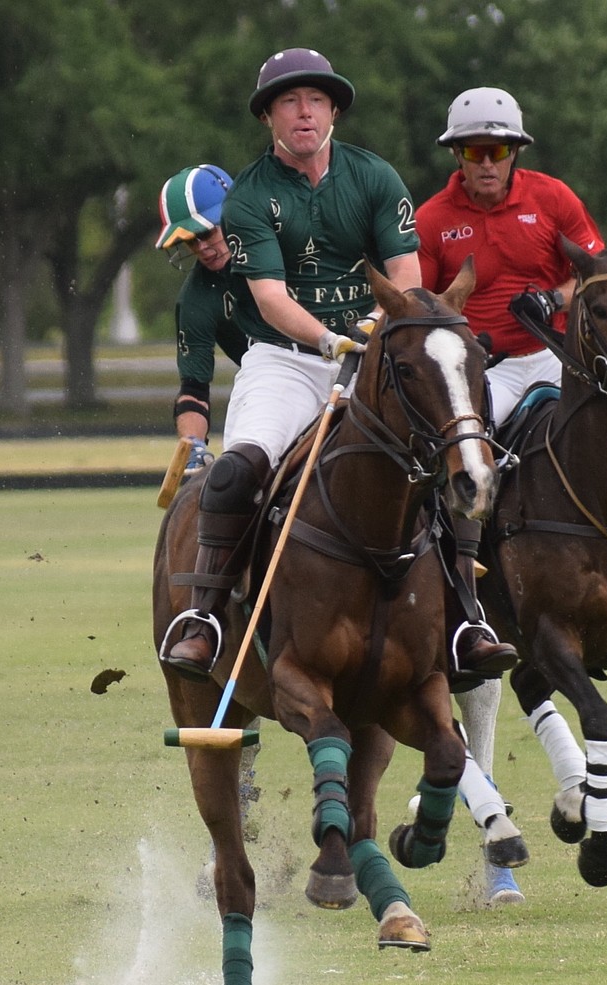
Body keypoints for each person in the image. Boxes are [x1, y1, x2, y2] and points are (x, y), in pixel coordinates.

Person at [163, 49, 517, 682]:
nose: (305, 111)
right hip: (288, 361)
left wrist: (377, 335)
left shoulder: (375, 177)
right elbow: (270, 299)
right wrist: (331, 342)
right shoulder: (249, 196)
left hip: (376, 352)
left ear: (333, 110)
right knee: (238, 469)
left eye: (317, 100)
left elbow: (407, 281)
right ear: (269, 115)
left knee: (450, 459)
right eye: (290, 102)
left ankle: (467, 618)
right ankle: (206, 619)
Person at [417, 86, 607, 640]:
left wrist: (552, 299)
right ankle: (465, 596)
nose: (486, 163)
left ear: (514, 154)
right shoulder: (433, 221)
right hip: (489, 369)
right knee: (459, 468)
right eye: (474, 152)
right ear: (457, 155)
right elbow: (425, 305)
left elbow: (600, 277)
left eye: (497, 152)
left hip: (556, 360)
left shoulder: (552, 199)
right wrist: (460, 333)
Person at [156, 164, 249, 474]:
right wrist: (193, 442)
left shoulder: (288, 240)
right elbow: (195, 388)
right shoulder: (195, 300)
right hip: (269, 380)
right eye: (192, 241)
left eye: (208, 232)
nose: (203, 248)